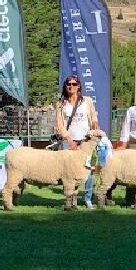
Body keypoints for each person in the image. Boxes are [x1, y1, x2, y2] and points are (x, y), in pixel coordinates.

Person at [55, 75, 100, 209]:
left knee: (88, 169)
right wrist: (68, 139)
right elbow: (60, 125)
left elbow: (93, 117)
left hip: (85, 141)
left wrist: (95, 124)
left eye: (74, 84)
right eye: (69, 84)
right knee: (69, 172)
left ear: (78, 86)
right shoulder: (61, 104)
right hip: (69, 141)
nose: (71, 86)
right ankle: (71, 199)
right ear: (65, 86)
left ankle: (87, 198)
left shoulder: (87, 101)